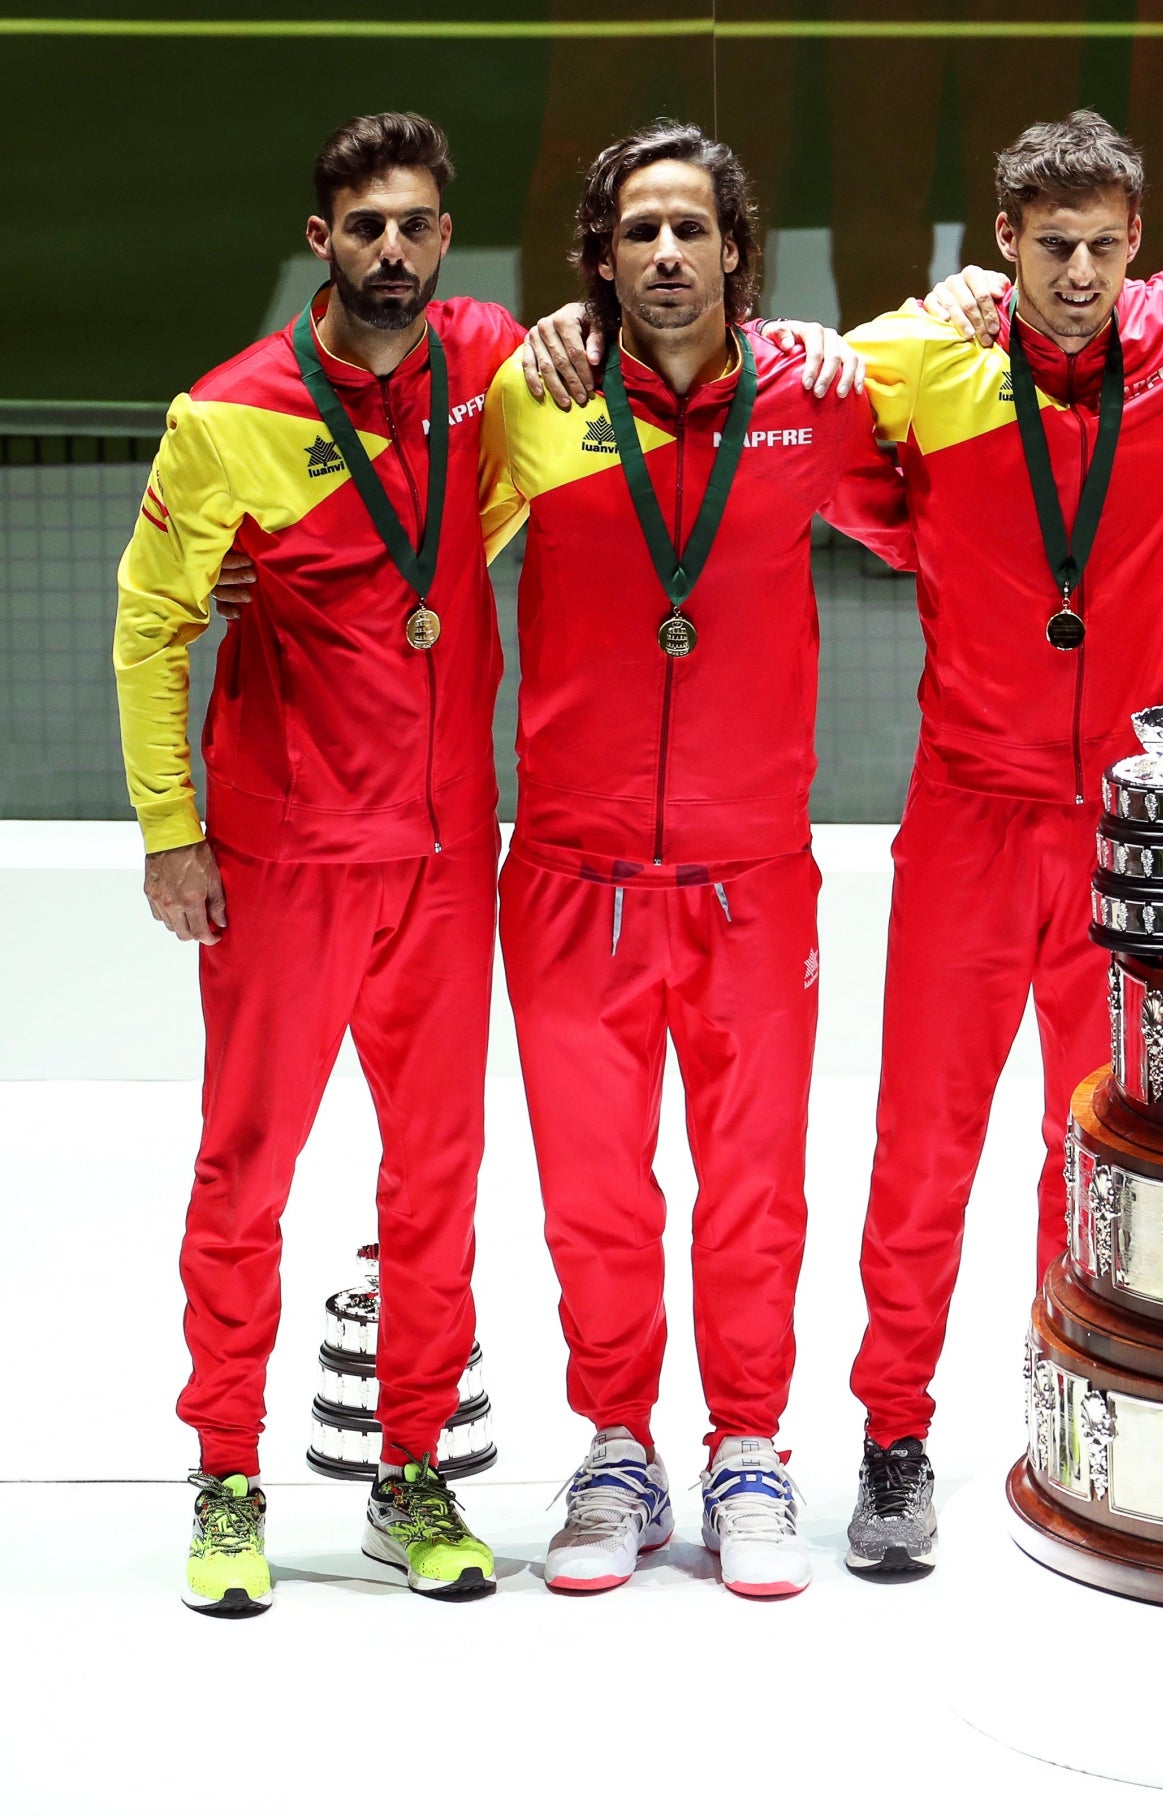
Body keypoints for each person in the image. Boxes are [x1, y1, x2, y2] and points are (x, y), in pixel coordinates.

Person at [835, 111, 1163, 1580]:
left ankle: (1074, 1397)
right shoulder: (929, 352)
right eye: (1048, 247)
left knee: (1107, 1141)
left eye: (1101, 246)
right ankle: (893, 1431)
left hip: (1142, 821)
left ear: (1138, 240)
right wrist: (919, 530)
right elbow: (806, 411)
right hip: (970, 812)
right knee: (922, 1144)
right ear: (1000, 243)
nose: (1078, 274)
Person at [478, 120, 913, 1600]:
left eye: (693, 229)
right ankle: (614, 1447)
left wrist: (940, 317)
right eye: (637, 232)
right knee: (594, 1194)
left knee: (752, 1185)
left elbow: (940, 483)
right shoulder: (528, 399)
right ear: (599, 259)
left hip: (747, 879)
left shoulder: (815, 396)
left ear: (738, 249)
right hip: (569, 880)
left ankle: (748, 1448)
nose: (667, 254)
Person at [116, 113, 523, 1614]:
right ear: (322, 243)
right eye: (368, 229)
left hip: (438, 864)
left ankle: (409, 1471)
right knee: (247, 1173)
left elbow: (629, 320)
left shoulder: (485, 363)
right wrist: (172, 829)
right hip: (284, 863)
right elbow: (150, 622)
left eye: (419, 226)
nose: (395, 254)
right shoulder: (227, 415)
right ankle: (228, 1473)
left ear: (443, 239)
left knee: (438, 1179)